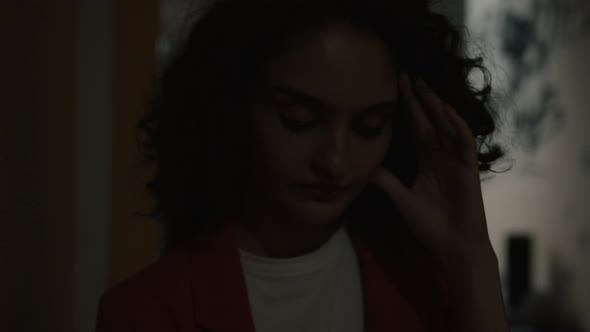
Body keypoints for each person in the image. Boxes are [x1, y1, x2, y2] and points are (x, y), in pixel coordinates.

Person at [96, 0, 511, 331]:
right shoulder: (145, 312)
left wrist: (473, 257)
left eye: (369, 127)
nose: (334, 161)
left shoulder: (427, 289)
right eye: (299, 121)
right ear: (234, 109)